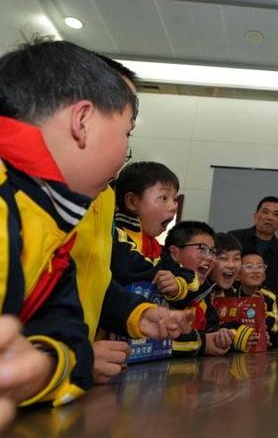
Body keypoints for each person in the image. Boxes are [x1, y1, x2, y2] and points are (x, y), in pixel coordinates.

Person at [0, 37, 137, 435]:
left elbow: (70, 341)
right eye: (127, 133)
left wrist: (37, 369)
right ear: (83, 122)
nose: (125, 152)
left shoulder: (51, 218)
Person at [75, 55, 193, 384]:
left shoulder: (102, 196)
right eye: (124, 128)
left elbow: (91, 281)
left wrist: (139, 314)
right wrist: (72, 358)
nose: (128, 138)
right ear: (80, 116)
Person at [166, 222, 256, 356]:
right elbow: (152, 341)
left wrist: (227, 337)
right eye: (202, 249)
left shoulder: (203, 294)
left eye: (212, 252)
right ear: (174, 253)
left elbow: (211, 332)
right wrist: (202, 343)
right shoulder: (159, 283)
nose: (209, 258)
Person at [114, 161, 198, 303]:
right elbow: (127, 267)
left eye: (175, 200)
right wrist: (165, 274)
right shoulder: (115, 234)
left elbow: (193, 281)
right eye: (163, 198)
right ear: (132, 202)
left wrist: (177, 285)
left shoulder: (157, 249)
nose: (173, 207)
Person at [209, 234, 278, 347]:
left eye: (236, 258)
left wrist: (255, 337)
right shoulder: (198, 292)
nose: (231, 265)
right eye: (223, 258)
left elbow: (232, 326)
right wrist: (239, 337)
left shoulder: (230, 294)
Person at [229, 196, 278, 294]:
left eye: (276, 214)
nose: (269, 217)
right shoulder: (234, 238)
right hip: (230, 303)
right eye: (265, 212)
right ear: (255, 216)